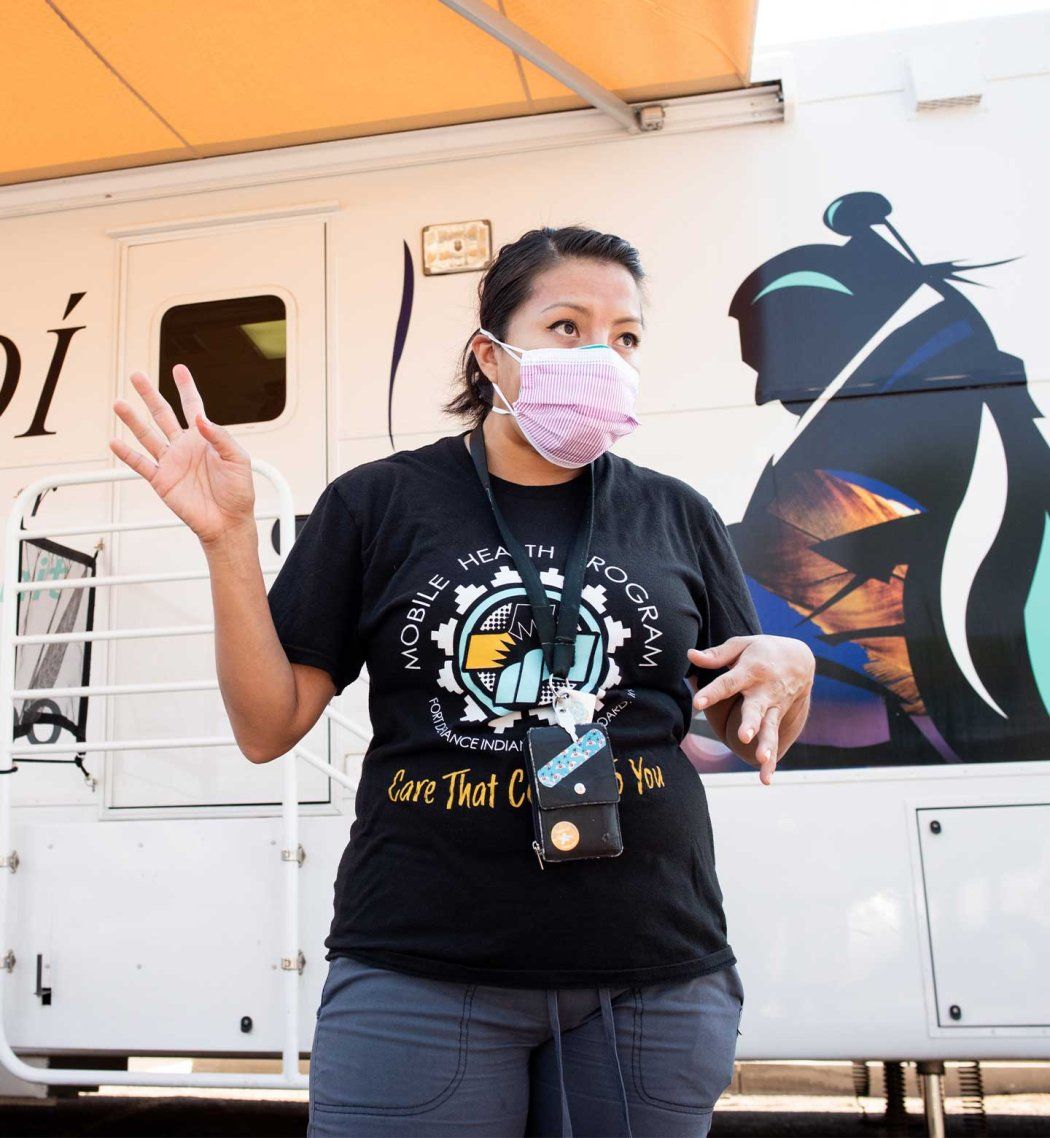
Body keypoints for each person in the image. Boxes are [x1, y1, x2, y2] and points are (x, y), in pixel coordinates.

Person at [109, 225, 815, 1138]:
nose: (601, 353)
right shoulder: (380, 502)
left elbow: (751, 734)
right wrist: (227, 542)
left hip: (653, 975)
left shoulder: (674, 512)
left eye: (626, 336)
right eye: (566, 326)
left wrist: (788, 667)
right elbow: (267, 725)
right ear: (492, 353)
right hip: (423, 972)